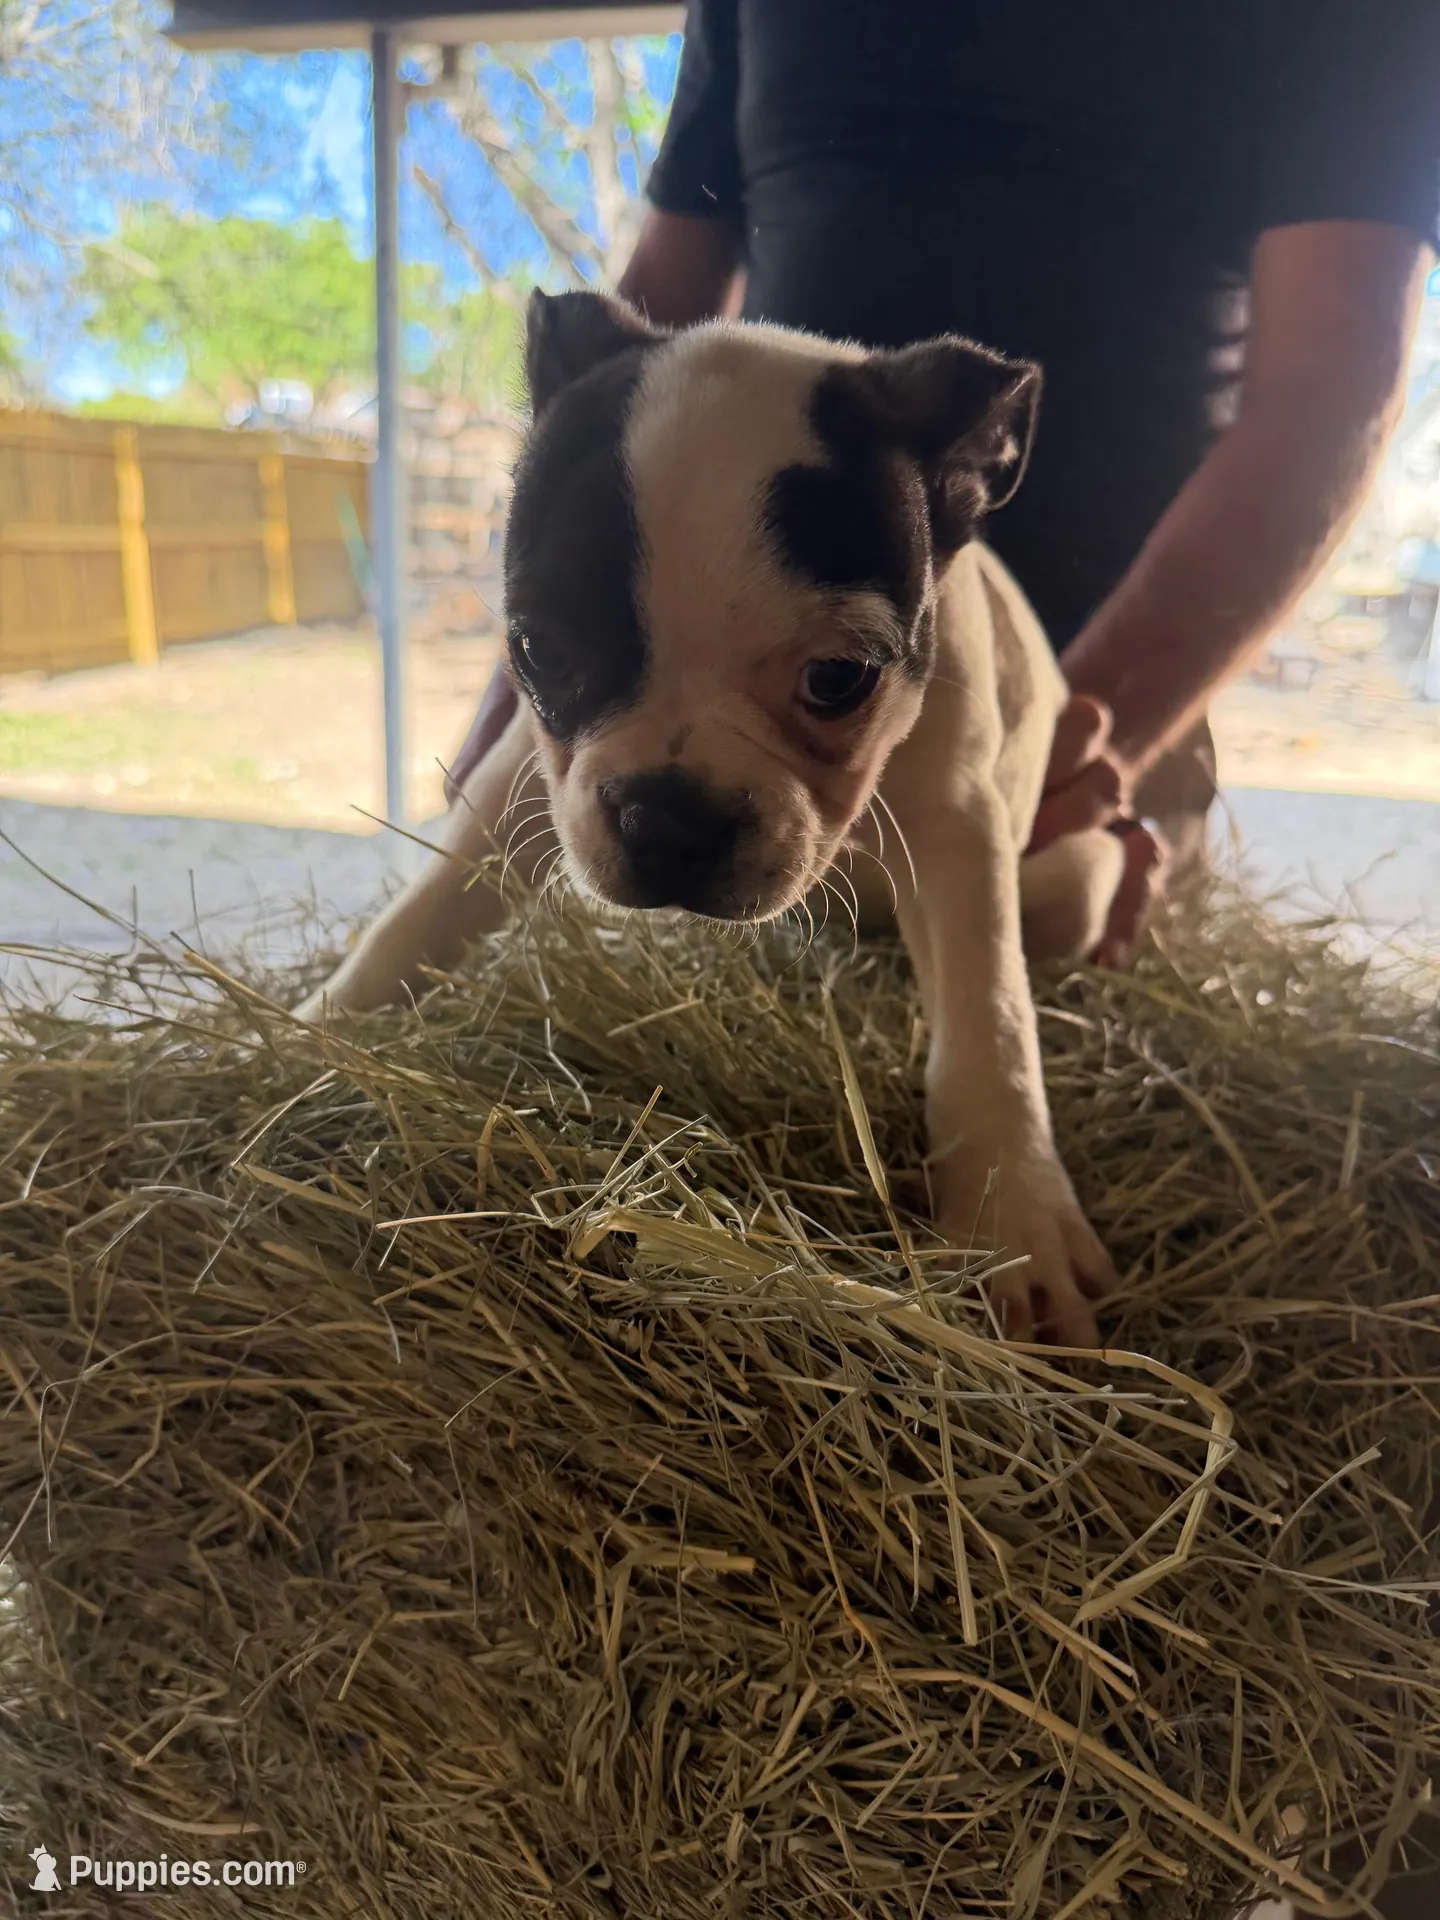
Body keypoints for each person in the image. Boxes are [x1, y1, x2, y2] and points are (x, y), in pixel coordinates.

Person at [447, 1, 1439, 969]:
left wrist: (1081, 737)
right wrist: (544, 674)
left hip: (1088, 711)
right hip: (685, 697)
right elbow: (661, 297)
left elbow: (1334, 381)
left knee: (1049, 1056)